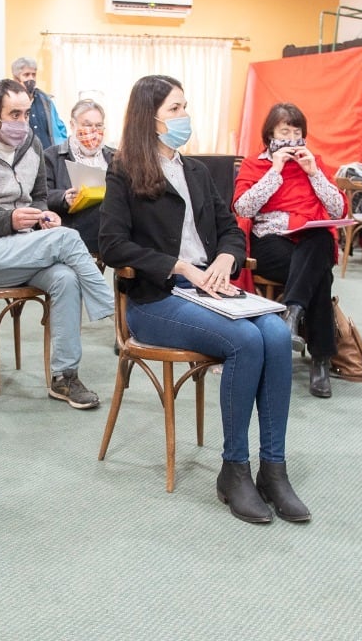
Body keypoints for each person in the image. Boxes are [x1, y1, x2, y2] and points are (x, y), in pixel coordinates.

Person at [99, 75, 308, 524]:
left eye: (185, 107)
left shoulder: (195, 171)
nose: (184, 117)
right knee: (247, 342)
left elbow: (230, 228)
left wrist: (227, 260)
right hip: (156, 299)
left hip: (211, 289)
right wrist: (180, 266)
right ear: (149, 118)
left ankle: (274, 468)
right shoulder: (124, 172)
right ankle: (234, 469)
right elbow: (112, 246)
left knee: (274, 332)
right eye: (175, 110)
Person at [0, 78, 114, 410]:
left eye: (25, 113)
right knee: (66, 239)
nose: (21, 122)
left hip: (24, 248)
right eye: (13, 114)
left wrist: (45, 215)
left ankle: (65, 378)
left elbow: (38, 199)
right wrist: (8, 220)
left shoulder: (32, 145)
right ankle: (111, 311)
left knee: (65, 277)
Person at [234, 103, 346, 399]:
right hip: (269, 241)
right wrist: (275, 170)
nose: (292, 138)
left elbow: (336, 210)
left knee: (321, 240)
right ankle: (321, 359)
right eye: (285, 131)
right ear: (270, 134)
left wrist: (313, 174)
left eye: (297, 132)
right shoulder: (253, 164)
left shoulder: (314, 162)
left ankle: (293, 313)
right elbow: (243, 207)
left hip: (308, 238)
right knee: (319, 275)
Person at [42, 99, 114, 254]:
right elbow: (41, 195)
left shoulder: (115, 157)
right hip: (72, 228)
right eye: (87, 125)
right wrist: (63, 197)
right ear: (73, 125)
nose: (93, 131)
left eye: (99, 125)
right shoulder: (52, 156)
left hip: (111, 230)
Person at [11, 57, 66, 151]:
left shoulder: (46, 100)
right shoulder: (11, 102)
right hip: (25, 158)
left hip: (49, 158)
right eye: (26, 75)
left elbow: (60, 128)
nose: (31, 78)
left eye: (33, 74)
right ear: (16, 79)